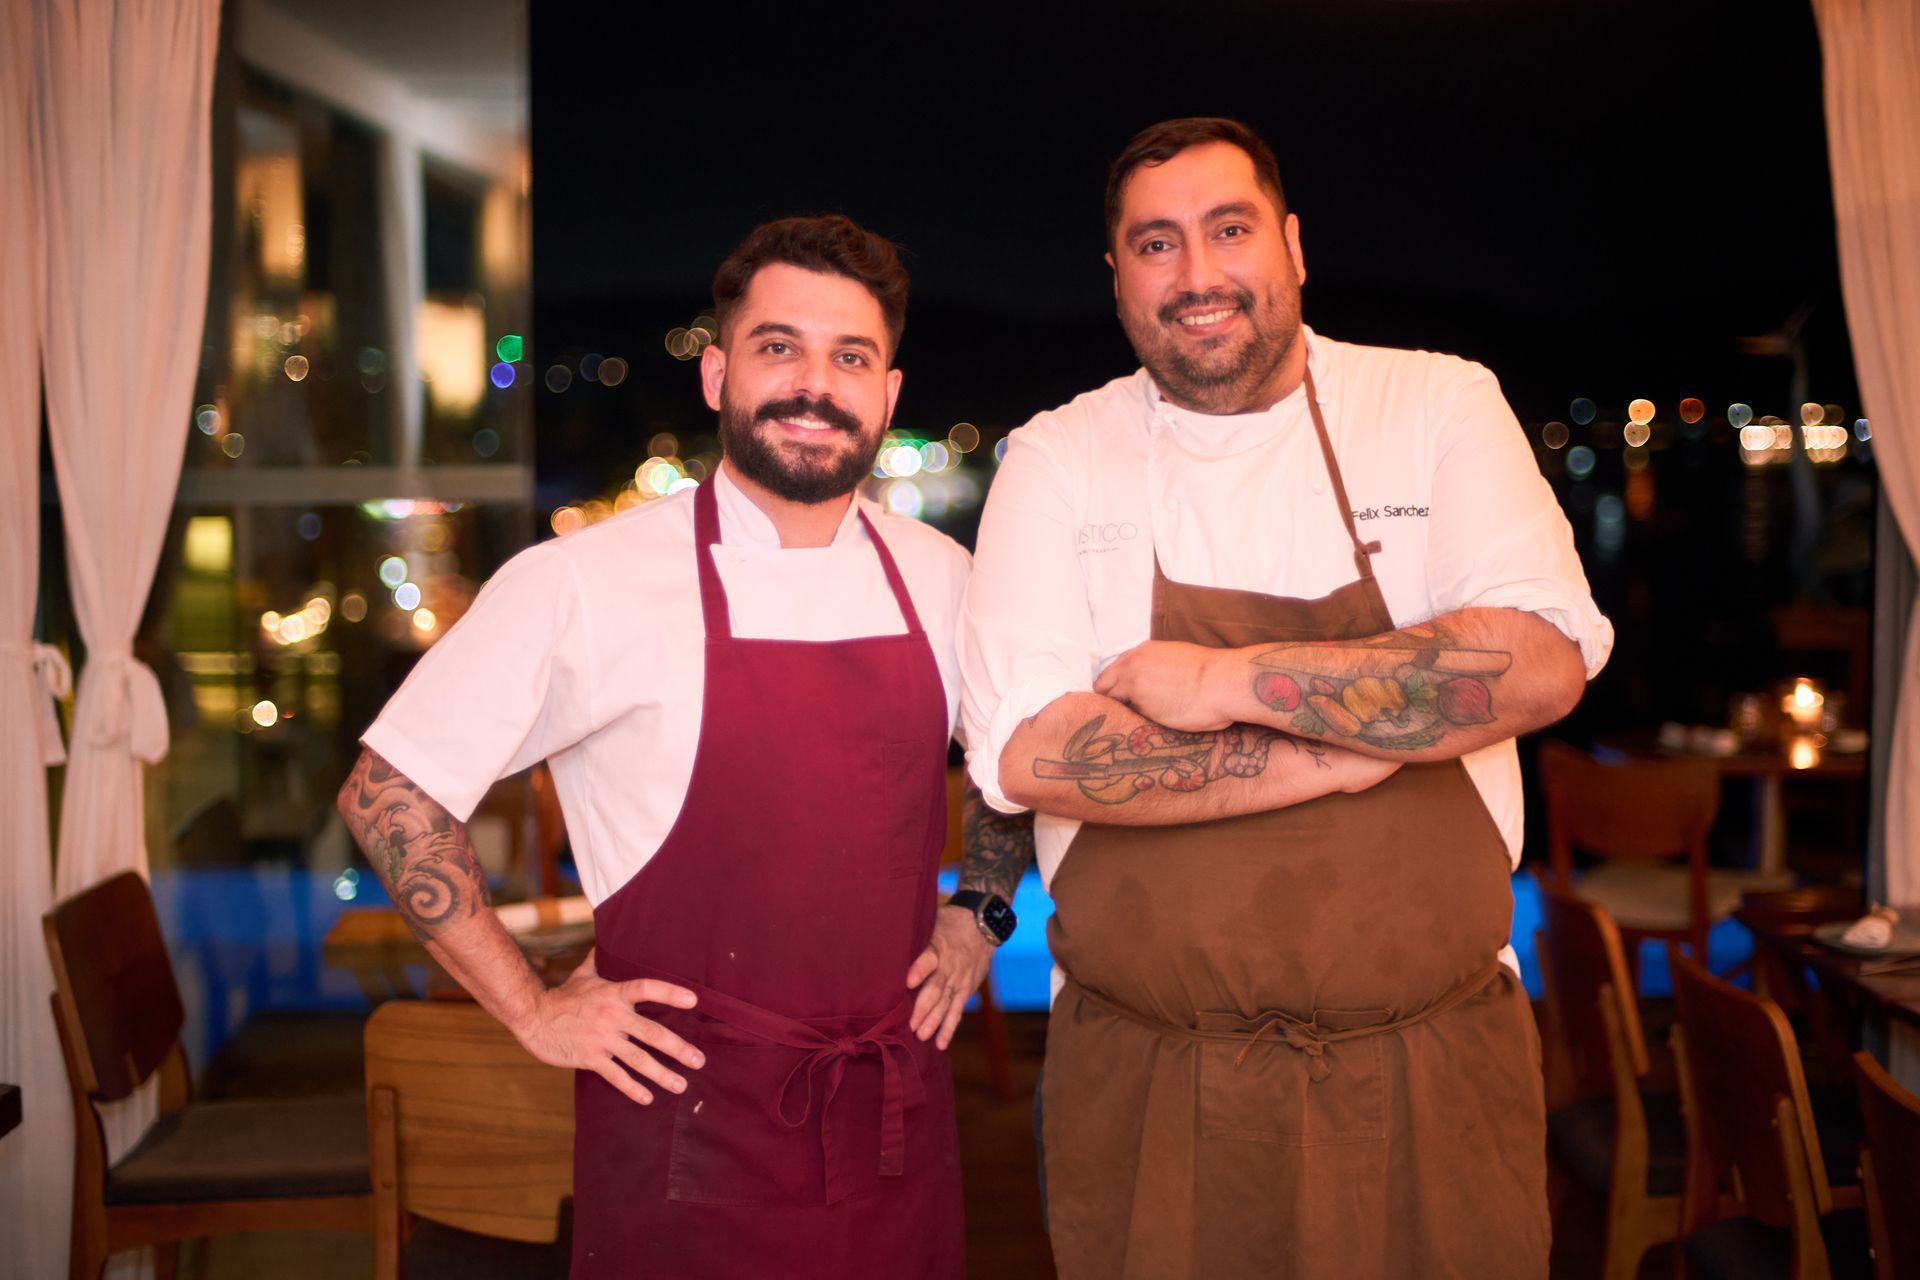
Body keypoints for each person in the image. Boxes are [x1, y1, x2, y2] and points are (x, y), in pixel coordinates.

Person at [958, 117, 1614, 1277]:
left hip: (1431, 1070)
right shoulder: (1058, 457)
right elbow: (1031, 755)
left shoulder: (1436, 406)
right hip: (1153, 1085)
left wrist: (1215, 683)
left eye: (1230, 229)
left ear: (1294, 244)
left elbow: (1539, 660)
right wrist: (1346, 744)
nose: (1199, 274)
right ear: (1117, 278)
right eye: (1156, 244)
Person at [338, 214, 1002, 1278]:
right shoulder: (586, 582)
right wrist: (532, 1007)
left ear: (887, 391)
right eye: (778, 347)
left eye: (851, 357)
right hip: (685, 1139)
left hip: (894, 1125)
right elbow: (389, 792)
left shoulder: (946, 576)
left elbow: (1014, 769)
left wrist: (980, 911)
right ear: (718, 373)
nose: (813, 384)